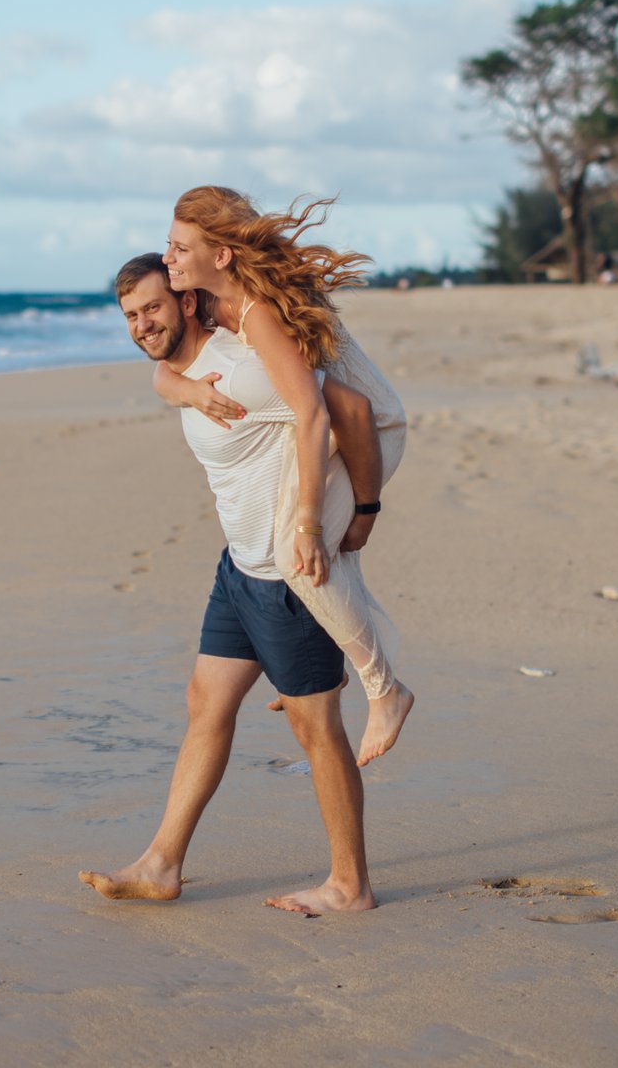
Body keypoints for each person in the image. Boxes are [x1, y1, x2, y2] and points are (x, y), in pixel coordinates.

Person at [78, 254, 382, 914]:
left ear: (186, 302)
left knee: (316, 729)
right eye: (130, 316)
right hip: (238, 571)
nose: (141, 325)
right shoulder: (179, 367)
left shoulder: (246, 358)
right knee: (204, 701)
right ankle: (160, 865)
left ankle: (351, 885)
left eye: (153, 308)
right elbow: (163, 374)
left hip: (285, 578)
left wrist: (359, 515)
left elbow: (349, 411)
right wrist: (183, 389)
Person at [155, 186, 413, 767]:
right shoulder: (208, 300)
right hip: (340, 428)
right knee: (317, 557)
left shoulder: (258, 310)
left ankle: (385, 689)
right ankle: (318, 659)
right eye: (167, 245)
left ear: (220, 255)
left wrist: (328, 518)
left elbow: (320, 411)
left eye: (179, 247)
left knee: (297, 551)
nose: (168, 257)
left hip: (369, 433)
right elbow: (163, 372)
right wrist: (191, 390)